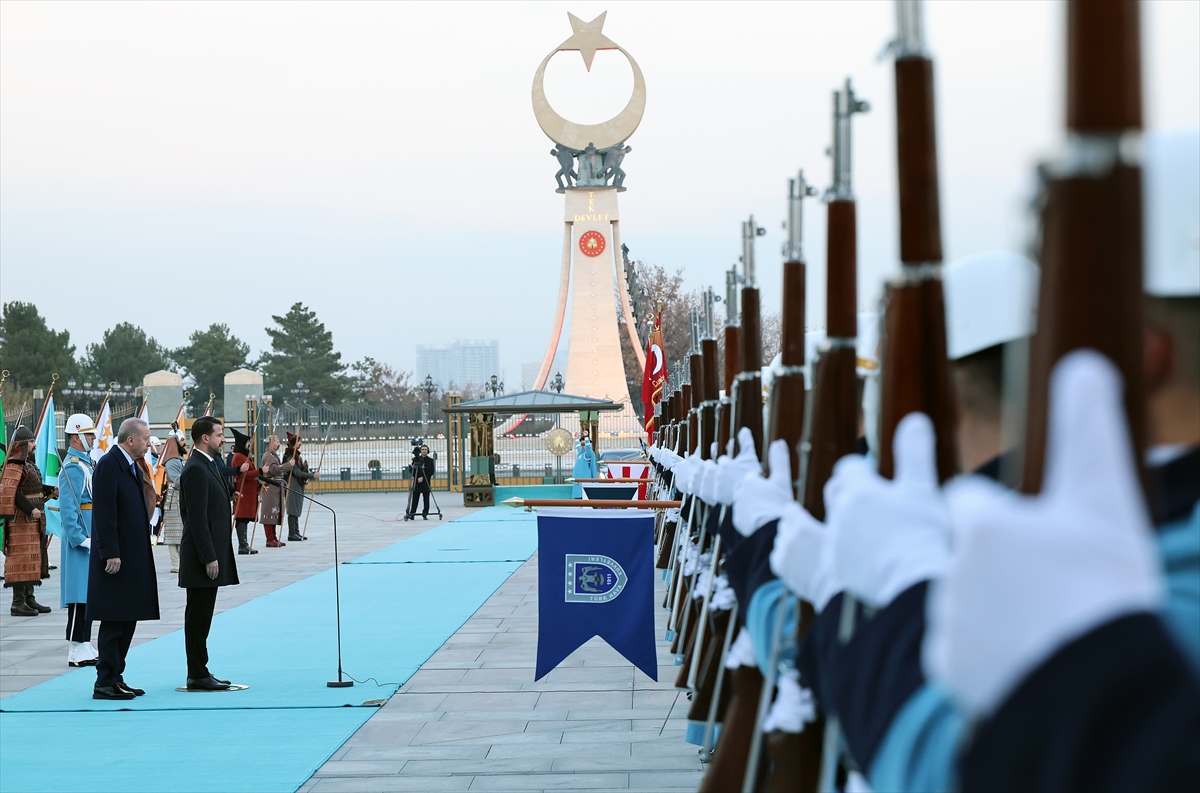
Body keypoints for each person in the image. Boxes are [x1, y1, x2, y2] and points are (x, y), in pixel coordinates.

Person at [87, 417, 159, 700]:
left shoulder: (131, 465)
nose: (148, 444)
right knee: (114, 618)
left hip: (132, 555)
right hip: (116, 558)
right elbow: (104, 513)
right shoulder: (109, 465)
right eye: (145, 439)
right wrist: (110, 552)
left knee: (128, 616)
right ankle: (104, 681)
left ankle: (116, 675)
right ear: (131, 440)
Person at [178, 416, 240, 690]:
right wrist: (209, 556)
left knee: (203, 617)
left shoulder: (209, 464)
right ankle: (197, 674)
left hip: (210, 553)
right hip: (201, 557)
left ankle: (201, 670)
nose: (223, 439)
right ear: (205, 438)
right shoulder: (195, 468)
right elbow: (196, 518)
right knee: (198, 617)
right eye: (219, 434)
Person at [58, 414, 99, 666]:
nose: (93, 438)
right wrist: (79, 537)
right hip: (80, 538)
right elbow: (68, 506)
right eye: (89, 434)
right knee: (78, 594)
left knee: (88, 592)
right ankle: (75, 647)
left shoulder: (87, 463)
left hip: (90, 534)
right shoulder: (73, 466)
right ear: (76, 436)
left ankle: (84, 641)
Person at [1, 426, 55, 616]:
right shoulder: (14, 464)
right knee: (21, 559)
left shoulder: (28, 464)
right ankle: (18, 602)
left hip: (32, 522)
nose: (34, 444)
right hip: (21, 522)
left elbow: (33, 487)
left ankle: (29, 599)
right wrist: (30, 509)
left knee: (33, 558)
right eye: (31, 441)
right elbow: (12, 492)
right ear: (23, 444)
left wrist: (50, 491)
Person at [157, 429, 187, 573]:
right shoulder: (171, 461)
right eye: (182, 441)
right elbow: (178, 480)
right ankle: (176, 563)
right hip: (174, 498)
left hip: (180, 497)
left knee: (181, 531)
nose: (184, 443)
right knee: (174, 533)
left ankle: (182, 561)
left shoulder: (180, 459)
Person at [228, 428, 260, 555]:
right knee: (241, 517)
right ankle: (242, 545)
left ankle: (244, 544)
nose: (250, 444)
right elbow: (243, 474)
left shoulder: (244, 456)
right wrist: (260, 472)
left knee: (245, 518)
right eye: (248, 442)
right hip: (243, 491)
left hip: (248, 491)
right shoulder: (238, 456)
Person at [258, 434, 293, 548]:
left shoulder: (273, 455)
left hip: (275, 488)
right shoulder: (268, 456)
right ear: (271, 443)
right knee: (269, 513)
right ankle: (269, 538)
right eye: (277, 442)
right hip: (270, 487)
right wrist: (288, 465)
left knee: (274, 513)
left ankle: (274, 537)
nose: (278, 444)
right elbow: (273, 470)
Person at [282, 432, 316, 541]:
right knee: (292, 508)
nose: (300, 443)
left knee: (296, 508)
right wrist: (311, 475)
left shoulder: (296, 455)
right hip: (292, 484)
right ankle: (292, 533)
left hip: (297, 484)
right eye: (298, 441)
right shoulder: (290, 456)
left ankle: (296, 531)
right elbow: (296, 472)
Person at [406, 444, 434, 521]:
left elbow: (431, 471)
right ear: (420, 451)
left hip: (426, 482)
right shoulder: (416, 460)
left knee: (426, 499)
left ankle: (425, 514)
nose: (424, 451)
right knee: (415, 499)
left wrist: (423, 478)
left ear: (427, 451)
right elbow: (413, 470)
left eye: (425, 449)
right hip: (417, 482)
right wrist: (417, 477)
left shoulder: (430, 460)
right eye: (422, 449)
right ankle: (412, 513)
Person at [571, 429, 597, 498]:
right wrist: (576, 439)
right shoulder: (580, 453)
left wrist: (586, 437)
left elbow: (588, 448)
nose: (583, 446)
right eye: (582, 444)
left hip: (585, 479)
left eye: (584, 444)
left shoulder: (588, 454)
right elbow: (578, 447)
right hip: (577, 480)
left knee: (585, 496)